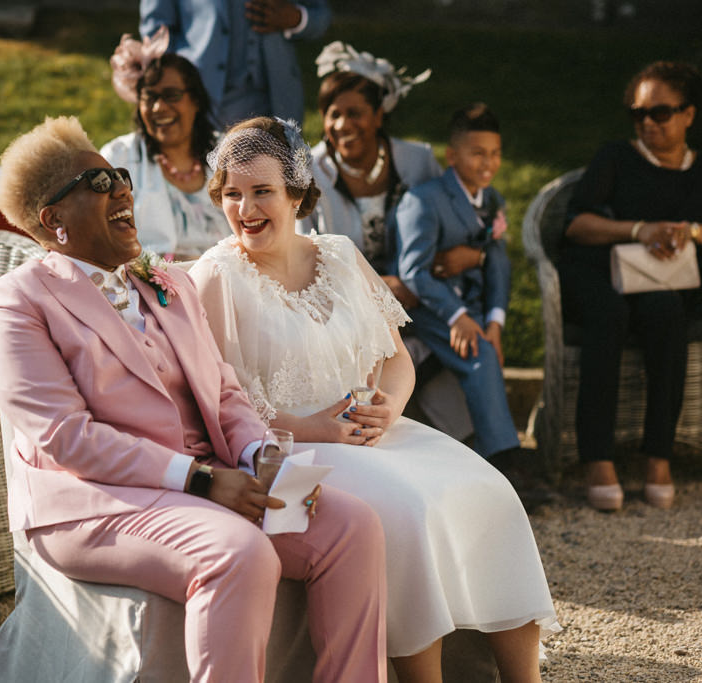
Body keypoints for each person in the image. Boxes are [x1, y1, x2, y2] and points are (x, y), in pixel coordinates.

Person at [0, 114, 388, 682]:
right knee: (238, 553)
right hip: (94, 502)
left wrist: (259, 457)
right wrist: (197, 479)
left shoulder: (165, 280)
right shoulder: (15, 304)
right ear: (54, 220)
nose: (123, 188)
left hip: (210, 476)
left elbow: (223, 392)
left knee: (353, 527)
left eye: (119, 175)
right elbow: (66, 437)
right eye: (99, 184)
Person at [190, 116, 557, 683]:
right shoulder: (216, 276)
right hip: (289, 452)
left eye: (262, 190)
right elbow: (219, 403)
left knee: (493, 490)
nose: (245, 208)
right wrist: (315, 426)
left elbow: (395, 358)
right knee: (408, 514)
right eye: (231, 194)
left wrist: (388, 404)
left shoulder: (339, 254)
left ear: (297, 193)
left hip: (377, 433)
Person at [560, 61, 702, 511]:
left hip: (665, 285)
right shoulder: (616, 159)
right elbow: (577, 226)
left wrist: (693, 232)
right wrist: (639, 229)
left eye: (659, 113)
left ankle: (658, 456)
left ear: (688, 115)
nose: (647, 123)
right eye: (638, 113)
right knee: (609, 316)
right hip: (599, 275)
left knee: (666, 314)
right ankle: (597, 459)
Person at [301, 40, 474, 442]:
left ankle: (474, 443)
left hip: (420, 294)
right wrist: (381, 292)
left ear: (379, 115)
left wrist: (426, 277)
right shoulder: (310, 170)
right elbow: (304, 252)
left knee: (452, 349)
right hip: (347, 307)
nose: (343, 124)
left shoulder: (417, 160)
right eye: (333, 114)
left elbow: (443, 223)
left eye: (355, 113)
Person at [397, 103, 521, 463]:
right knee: (479, 352)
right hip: (427, 305)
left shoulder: (492, 198)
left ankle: (483, 453)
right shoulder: (423, 201)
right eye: (478, 153)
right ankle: (504, 459)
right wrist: (457, 317)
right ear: (452, 155)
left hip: (471, 306)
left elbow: (497, 260)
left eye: (496, 154)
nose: (489, 163)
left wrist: (495, 320)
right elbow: (413, 272)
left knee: (487, 342)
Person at [101, 35, 227, 260]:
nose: (159, 108)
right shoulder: (118, 157)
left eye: (172, 95)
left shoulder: (229, 153)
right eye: (150, 97)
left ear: (196, 100)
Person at [139, 0, 330, 126]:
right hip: (201, 95)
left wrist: (296, 18)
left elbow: (321, 16)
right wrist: (178, 81)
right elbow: (155, 28)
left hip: (274, 97)